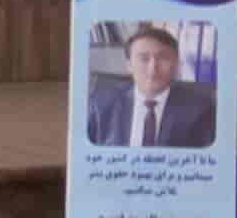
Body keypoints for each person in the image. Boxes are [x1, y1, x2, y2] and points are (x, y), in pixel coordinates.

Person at [87, 27, 217, 147]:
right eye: (144, 58)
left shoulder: (200, 110)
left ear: (176, 65)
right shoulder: (101, 103)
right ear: (129, 65)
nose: (153, 68)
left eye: (163, 58)